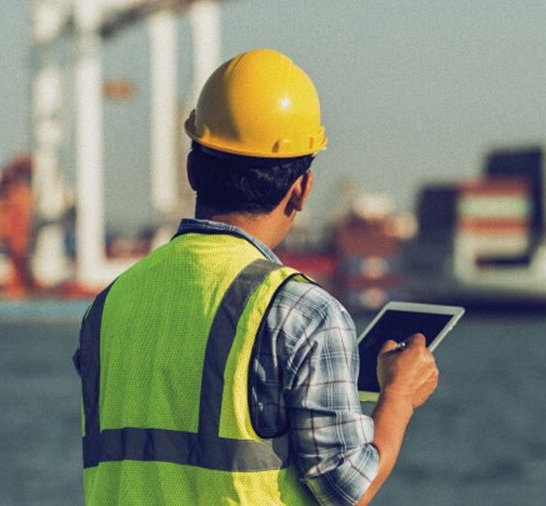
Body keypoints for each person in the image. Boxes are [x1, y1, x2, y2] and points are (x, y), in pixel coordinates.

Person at [73, 48, 439, 505]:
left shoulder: (108, 306)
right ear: (301, 189)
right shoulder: (302, 313)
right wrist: (398, 397)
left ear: (191, 169)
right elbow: (347, 489)